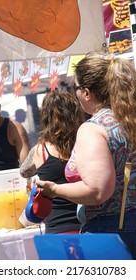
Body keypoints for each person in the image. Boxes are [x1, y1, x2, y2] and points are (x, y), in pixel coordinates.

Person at [34, 52, 136, 259]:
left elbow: (98, 191)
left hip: (113, 232)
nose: (75, 94)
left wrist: (54, 189)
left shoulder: (94, 128)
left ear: (87, 93)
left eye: (75, 88)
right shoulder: (129, 119)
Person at [20, 89, 84, 234]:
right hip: (85, 224)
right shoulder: (85, 143)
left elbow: (24, 171)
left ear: (46, 118)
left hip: (56, 227)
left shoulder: (40, 150)